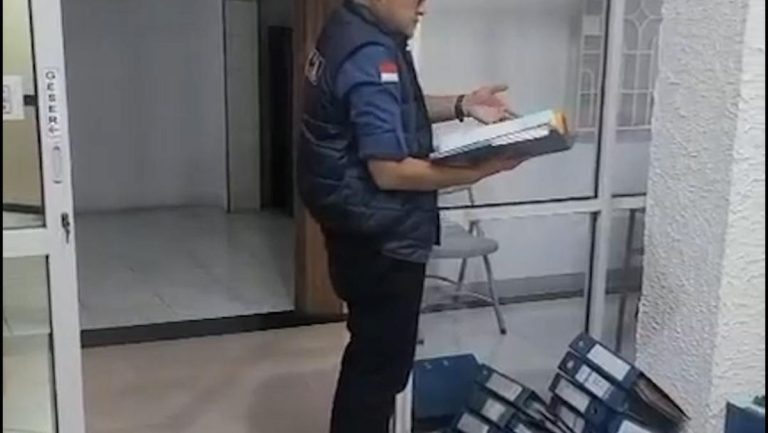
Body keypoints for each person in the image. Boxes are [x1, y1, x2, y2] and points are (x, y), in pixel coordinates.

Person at [297, 0, 525, 431]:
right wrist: (480, 170)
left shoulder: (349, 29)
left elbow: (396, 107)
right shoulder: (371, 54)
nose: (424, 7)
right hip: (382, 240)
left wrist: (464, 104)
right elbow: (390, 171)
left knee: (371, 362)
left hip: (358, 231)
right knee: (378, 372)